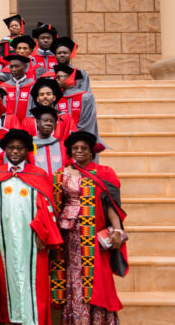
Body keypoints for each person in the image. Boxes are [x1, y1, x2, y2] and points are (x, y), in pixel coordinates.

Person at [51, 131, 128, 324]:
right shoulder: (61, 174)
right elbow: (56, 206)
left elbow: (112, 206)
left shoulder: (104, 173)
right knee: (73, 274)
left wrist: (117, 231)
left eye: (83, 148)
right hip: (69, 235)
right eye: (75, 148)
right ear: (69, 151)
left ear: (91, 152)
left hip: (93, 234)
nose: (79, 151)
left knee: (97, 276)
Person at [0, 129, 63, 325]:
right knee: (8, 276)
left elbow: (46, 207)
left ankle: (34, 319)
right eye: (11, 148)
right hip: (5, 237)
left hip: (31, 237)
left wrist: (42, 234)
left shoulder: (38, 174)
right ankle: (13, 319)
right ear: (4, 150)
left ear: (27, 151)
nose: (14, 152)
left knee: (35, 279)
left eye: (19, 148)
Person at [55, 64, 100, 138]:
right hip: (62, 138)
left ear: (70, 77)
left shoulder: (86, 97)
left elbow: (88, 120)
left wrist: (74, 133)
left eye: (59, 77)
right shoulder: (56, 98)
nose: (56, 80)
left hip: (82, 137)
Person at [30, 105, 66, 177]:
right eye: (45, 120)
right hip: (37, 184)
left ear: (55, 125)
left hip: (57, 186)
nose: (48, 123)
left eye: (52, 121)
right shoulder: (29, 145)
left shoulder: (61, 145)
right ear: (38, 122)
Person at [2, 54, 37, 122]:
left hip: (27, 124)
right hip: (8, 125)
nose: (13, 69)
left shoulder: (33, 86)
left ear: (25, 67)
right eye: (11, 67)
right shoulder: (4, 87)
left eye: (17, 66)